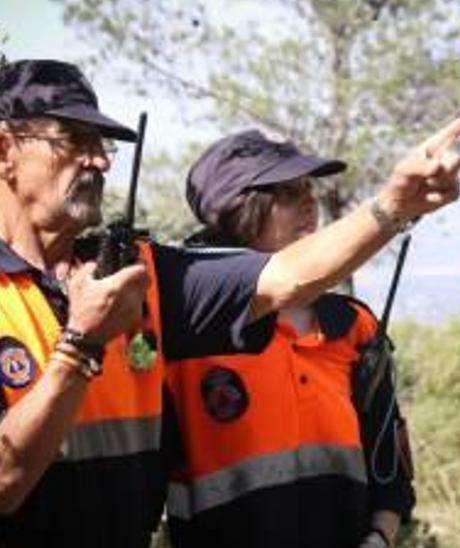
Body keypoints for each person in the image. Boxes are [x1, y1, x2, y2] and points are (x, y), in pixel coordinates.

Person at [0, 58, 460, 548]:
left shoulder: (142, 274)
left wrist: (393, 206)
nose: (99, 159)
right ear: (1, 153)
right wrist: (81, 345)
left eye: (103, 145)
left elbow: (286, 277)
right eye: (74, 140)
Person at [163, 131, 415, 548]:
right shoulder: (185, 335)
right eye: (287, 192)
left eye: (309, 189)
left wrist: (379, 538)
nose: (309, 204)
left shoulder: (354, 328)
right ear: (237, 208)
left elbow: (391, 476)